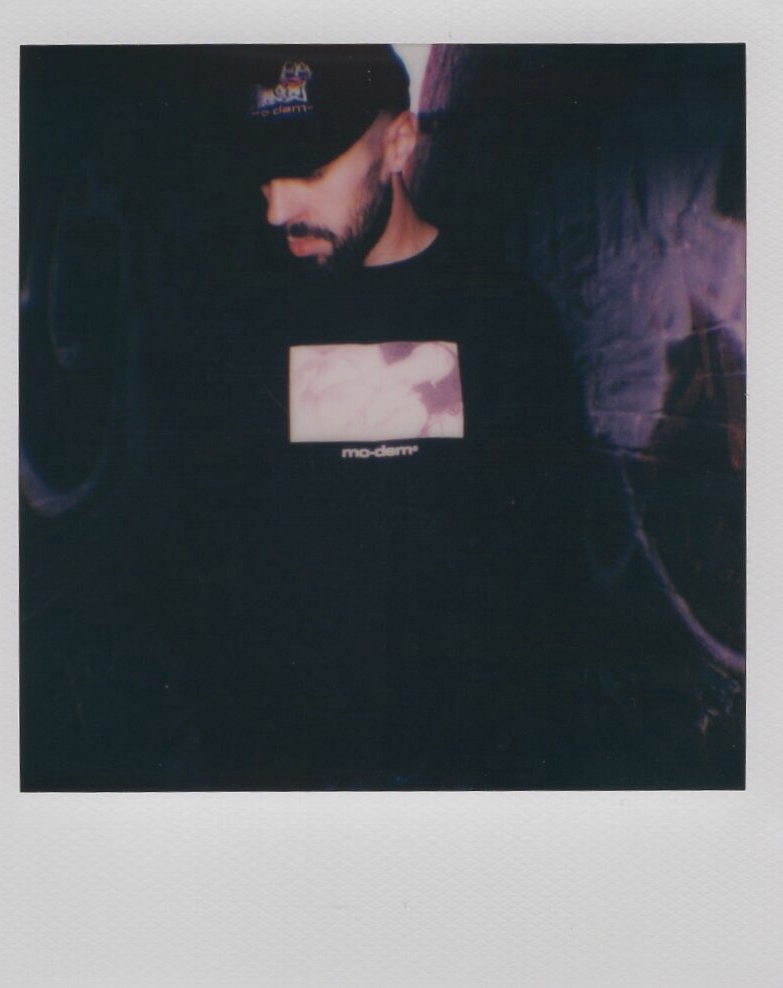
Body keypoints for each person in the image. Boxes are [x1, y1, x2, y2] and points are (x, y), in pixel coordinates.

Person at [189, 45, 604, 789]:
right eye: (268, 174)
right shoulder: (243, 325)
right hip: (293, 772)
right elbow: (221, 569)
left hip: (465, 771)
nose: (278, 208)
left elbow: (556, 570)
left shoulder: (505, 319)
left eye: (312, 172)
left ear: (400, 144)